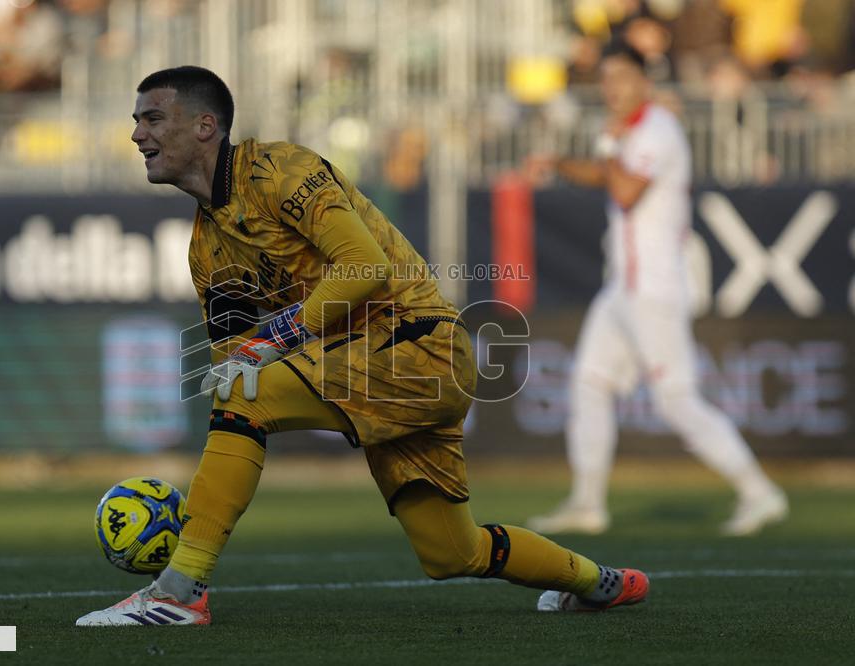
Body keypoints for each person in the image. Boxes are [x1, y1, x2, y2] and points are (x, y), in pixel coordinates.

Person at [76, 65, 648, 626]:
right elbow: (236, 361)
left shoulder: (281, 170)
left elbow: (364, 266)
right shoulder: (206, 249)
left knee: (243, 398)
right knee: (452, 552)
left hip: (419, 346)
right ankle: (597, 584)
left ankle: (180, 592)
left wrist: (275, 342)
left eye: (153, 118)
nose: (137, 134)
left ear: (205, 126)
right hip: (372, 369)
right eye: (136, 121)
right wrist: (209, 490)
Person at [523, 43, 787, 538]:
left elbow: (625, 189)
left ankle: (759, 491)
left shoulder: (657, 129)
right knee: (589, 382)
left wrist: (607, 147)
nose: (611, 88)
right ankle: (587, 503)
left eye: (622, 76)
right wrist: (559, 161)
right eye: (606, 78)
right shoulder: (628, 132)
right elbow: (605, 175)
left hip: (655, 289)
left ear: (644, 81)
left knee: (676, 401)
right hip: (623, 287)